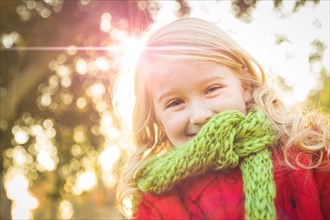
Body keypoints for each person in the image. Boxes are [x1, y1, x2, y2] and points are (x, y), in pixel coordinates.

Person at [115, 17, 329, 219]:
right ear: (156, 118)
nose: (200, 115)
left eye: (212, 89)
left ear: (245, 85)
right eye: (175, 103)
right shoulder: (155, 201)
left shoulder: (308, 152)